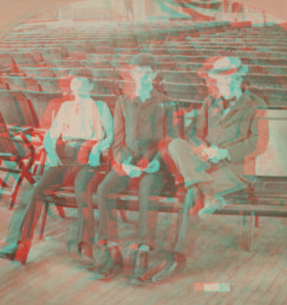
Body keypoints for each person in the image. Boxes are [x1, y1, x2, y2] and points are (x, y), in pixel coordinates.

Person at [157, 56, 268, 281]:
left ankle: (176, 256)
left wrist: (224, 153)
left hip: (236, 169)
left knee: (188, 194)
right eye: (220, 79)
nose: (224, 83)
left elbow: (258, 143)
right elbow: (196, 135)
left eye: (230, 78)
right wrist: (203, 148)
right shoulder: (210, 101)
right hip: (206, 164)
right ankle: (202, 192)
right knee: (175, 144)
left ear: (239, 78)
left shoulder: (256, 104)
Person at [0, 68, 113, 264]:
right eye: (75, 84)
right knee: (35, 190)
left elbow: (109, 136)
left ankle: (84, 244)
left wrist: (95, 148)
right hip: (64, 155)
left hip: (87, 157)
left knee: (81, 190)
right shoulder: (66, 107)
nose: (78, 88)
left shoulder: (101, 106)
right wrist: (51, 152)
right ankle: (18, 244)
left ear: (92, 86)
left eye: (83, 84)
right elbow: (52, 134)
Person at [90, 54, 167, 285]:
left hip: (153, 163)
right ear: (132, 75)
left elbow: (162, 138)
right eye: (137, 73)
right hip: (127, 163)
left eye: (146, 73)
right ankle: (111, 247)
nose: (141, 77)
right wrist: (124, 161)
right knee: (104, 189)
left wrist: (147, 160)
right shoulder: (122, 102)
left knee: (147, 192)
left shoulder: (161, 101)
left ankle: (142, 249)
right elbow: (118, 139)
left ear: (153, 75)